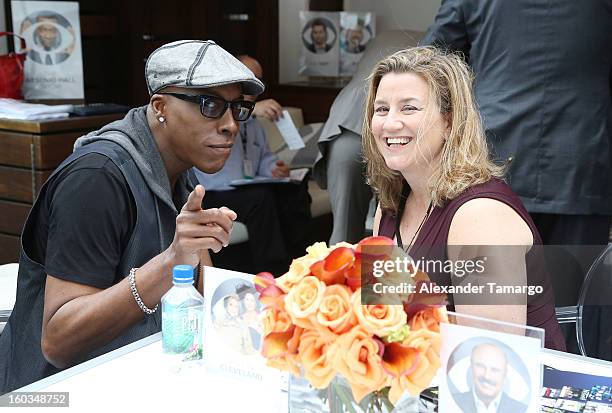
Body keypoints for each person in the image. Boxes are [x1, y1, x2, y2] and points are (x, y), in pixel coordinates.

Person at [0, 40, 264, 393]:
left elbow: (205, 294)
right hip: (52, 392)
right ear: (160, 107)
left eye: (237, 108)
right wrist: (170, 262)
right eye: (211, 104)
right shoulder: (96, 179)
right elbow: (58, 341)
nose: (232, 125)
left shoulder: (182, 170)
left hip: (141, 372)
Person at [367, 46, 565, 350]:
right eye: (381, 109)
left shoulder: (480, 217)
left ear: (449, 122)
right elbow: (380, 319)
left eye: (409, 108)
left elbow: (492, 352)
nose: (390, 123)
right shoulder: (390, 206)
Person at [421, 1, 612, 284]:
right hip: (582, 153)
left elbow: (431, 63)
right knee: (575, 304)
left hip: (495, 147)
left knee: (488, 299)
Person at [195, 55, 312, 275]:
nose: (253, 85)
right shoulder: (213, 111)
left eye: (258, 81)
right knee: (261, 198)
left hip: (246, 187)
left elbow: (264, 157)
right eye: (248, 78)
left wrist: (273, 168)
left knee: (294, 189)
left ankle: (300, 265)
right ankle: (272, 272)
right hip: (213, 190)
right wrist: (252, 107)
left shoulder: (254, 122)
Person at [313, 30, 423, 244]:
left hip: (346, 124)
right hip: (362, 128)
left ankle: (340, 269)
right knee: (396, 212)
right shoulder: (435, 46)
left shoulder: (380, 41)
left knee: (345, 226)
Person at [454, 344, 527, 413]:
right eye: (480, 366)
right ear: (471, 367)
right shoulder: (452, 401)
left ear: (505, 374)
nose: (487, 376)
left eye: (495, 369)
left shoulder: (521, 409)